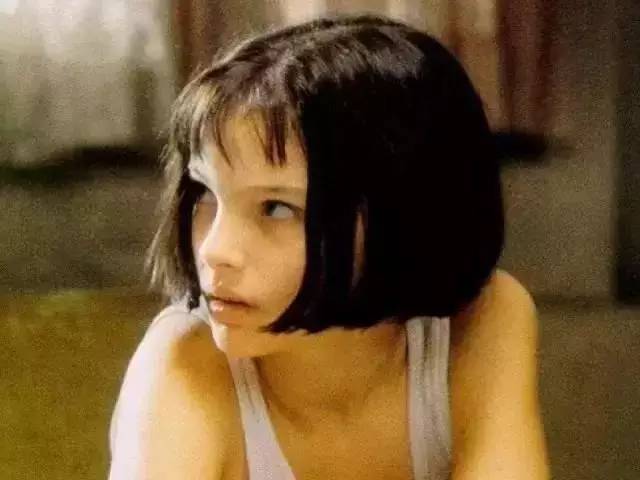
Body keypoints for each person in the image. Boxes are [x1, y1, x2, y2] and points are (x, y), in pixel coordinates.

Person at [108, 13, 549, 480]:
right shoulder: (183, 361)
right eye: (205, 194)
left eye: (276, 208)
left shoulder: (484, 319)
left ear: (402, 215)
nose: (214, 251)